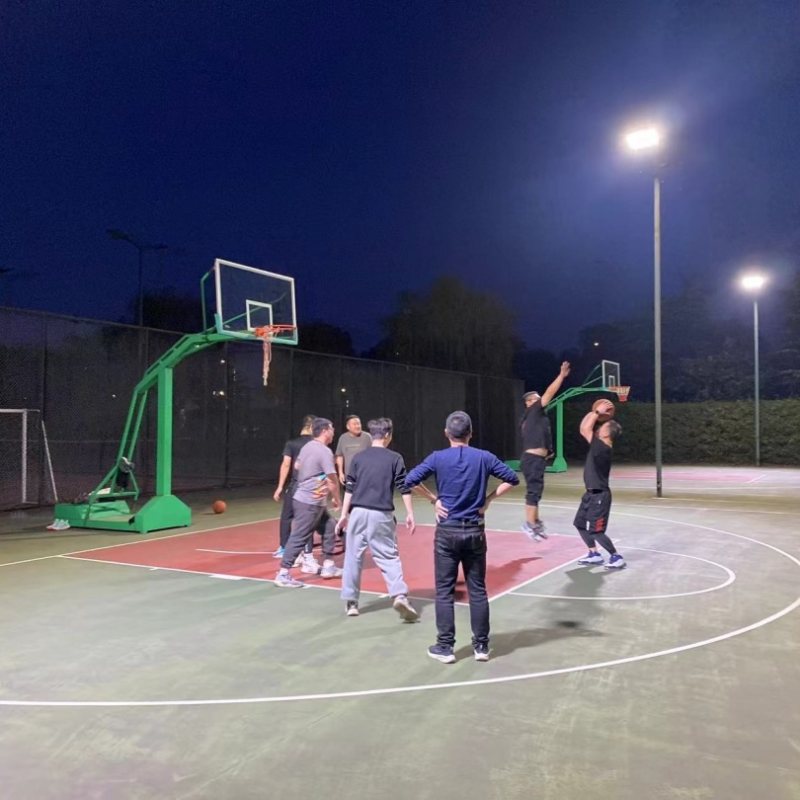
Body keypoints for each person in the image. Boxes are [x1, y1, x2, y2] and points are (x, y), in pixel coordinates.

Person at [404, 411, 519, 664]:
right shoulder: (484, 457)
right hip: (475, 530)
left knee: (444, 591)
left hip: (447, 531)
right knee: (477, 590)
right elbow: (512, 478)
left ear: (447, 433)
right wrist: (488, 500)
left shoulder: (437, 457)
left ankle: (445, 647)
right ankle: (481, 646)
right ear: (470, 433)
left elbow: (409, 480)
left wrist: (433, 500)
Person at [335, 417, 418, 621]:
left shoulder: (359, 458)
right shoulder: (395, 458)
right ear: (388, 435)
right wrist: (410, 513)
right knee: (388, 556)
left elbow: (349, 488)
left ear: (372, 435)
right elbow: (404, 487)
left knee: (353, 557)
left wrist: (344, 515)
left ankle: (351, 603)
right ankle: (399, 595)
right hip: (381, 514)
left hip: (357, 513)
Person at [275, 418, 343, 587]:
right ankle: (283, 574)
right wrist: (337, 499)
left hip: (310, 499)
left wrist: (312, 471)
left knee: (329, 526)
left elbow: (297, 466)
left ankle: (328, 566)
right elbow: (332, 479)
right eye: (332, 428)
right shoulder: (324, 451)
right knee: (300, 536)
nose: (333, 431)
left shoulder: (307, 447)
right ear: (325, 431)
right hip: (309, 501)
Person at [519, 361, 571, 540]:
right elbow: (550, 392)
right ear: (529, 402)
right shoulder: (533, 411)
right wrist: (561, 376)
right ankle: (529, 524)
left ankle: (535, 522)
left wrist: (549, 450)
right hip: (532, 460)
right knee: (533, 492)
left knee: (536, 492)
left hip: (537, 460)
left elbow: (539, 434)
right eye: (537, 398)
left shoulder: (536, 417)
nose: (541, 400)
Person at [574, 399, 625, 569]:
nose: (599, 428)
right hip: (590, 494)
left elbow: (584, 429)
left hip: (600, 496)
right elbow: (584, 427)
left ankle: (616, 557)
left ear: (607, 434)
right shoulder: (599, 445)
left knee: (596, 531)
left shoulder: (602, 448)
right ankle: (594, 554)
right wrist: (594, 411)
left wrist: (597, 412)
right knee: (579, 524)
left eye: (603, 427)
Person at [272, 415, 315, 559]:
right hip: (311, 487)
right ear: (312, 427)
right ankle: (307, 553)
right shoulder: (316, 445)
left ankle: (284, 547)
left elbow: (286, 464)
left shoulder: (292, 444)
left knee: (286, 516)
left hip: (295, 485)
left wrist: (280, 486)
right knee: (307, 520)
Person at [335, 415, 372, 484]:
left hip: (365, 476)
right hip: (349, 477)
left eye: (359, 423)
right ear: (348, 427)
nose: (357, 426)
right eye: (354, 424)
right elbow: (339, 456)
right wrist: (340, 473)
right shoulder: (343, 438)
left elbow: (373, 455)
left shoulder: (367, 437)